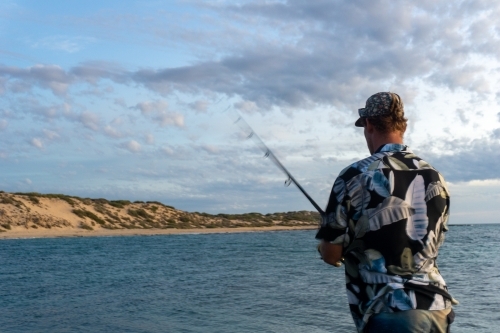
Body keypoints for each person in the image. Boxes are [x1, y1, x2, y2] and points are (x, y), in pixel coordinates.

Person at [316, 92, 457, 333]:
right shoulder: (435, 176)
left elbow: (332, 254)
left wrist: (327, 246)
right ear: (403, 125)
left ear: (369, 124)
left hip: (388, 309)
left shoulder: (353, 176)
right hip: (437, 306)